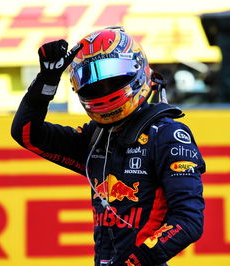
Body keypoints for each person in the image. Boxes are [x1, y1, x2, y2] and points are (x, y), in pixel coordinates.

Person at [11, 26, 205, 266]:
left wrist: (135, 262)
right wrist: (47, 81)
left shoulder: (168, 135)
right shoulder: (96, 137)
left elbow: (188, 221)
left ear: (137, 66)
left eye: (110, 73)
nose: (101, 85)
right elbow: (27, 133)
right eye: (90, 78)